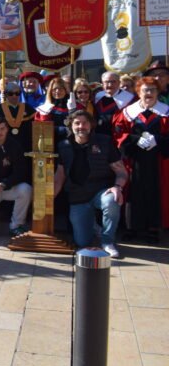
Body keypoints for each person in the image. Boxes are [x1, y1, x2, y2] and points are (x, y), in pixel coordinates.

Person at [55, 110, 127, 256]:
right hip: (78, 196)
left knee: (112, 200)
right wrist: (49, 196)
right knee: (82, 242)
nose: (81, 126)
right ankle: (94, 226)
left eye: (85, 122)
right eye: (77, 123)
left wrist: (117, 187)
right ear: (70, 125)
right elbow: (60, 176)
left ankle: (107, 241)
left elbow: (122, 172)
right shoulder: (63, 146)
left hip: (101, 191)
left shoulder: (104, 142)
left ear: (91, 125)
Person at [113, 77, 169, 241]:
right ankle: (132, 227)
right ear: (138, 92)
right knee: (133, 191)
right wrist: (135, 139)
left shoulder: (165, 111)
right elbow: (118, 134)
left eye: (153, 90)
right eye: (145, 90)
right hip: (133, 161)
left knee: (155, 191)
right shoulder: (127, 113)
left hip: (158, 160)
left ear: (158, 92)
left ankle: (153, 228)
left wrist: (158, 140)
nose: (149, 93)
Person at [0, 82, 35, 154]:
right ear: (5, 94)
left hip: (25, 146)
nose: (14, 96)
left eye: (17, 93)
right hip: (5, 146)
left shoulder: (28, 108)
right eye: (11, 93)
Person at [94, 71, 135, 136]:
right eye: (107, 82)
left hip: (118, 136)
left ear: (119, 83)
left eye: (113, 82)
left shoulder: (129, 98)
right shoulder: (98, 96)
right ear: (102, 83)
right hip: (100, 135)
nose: (110, 85)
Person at [35, 77, 74, 144]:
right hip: (50, 141)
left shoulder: (72, 105)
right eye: (54, 89)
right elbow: (44, 128)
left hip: (71, 139)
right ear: (50, 91)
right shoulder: (45, 108)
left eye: (60, 89)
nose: (57, 91)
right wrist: (63, 130)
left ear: (65, 90)